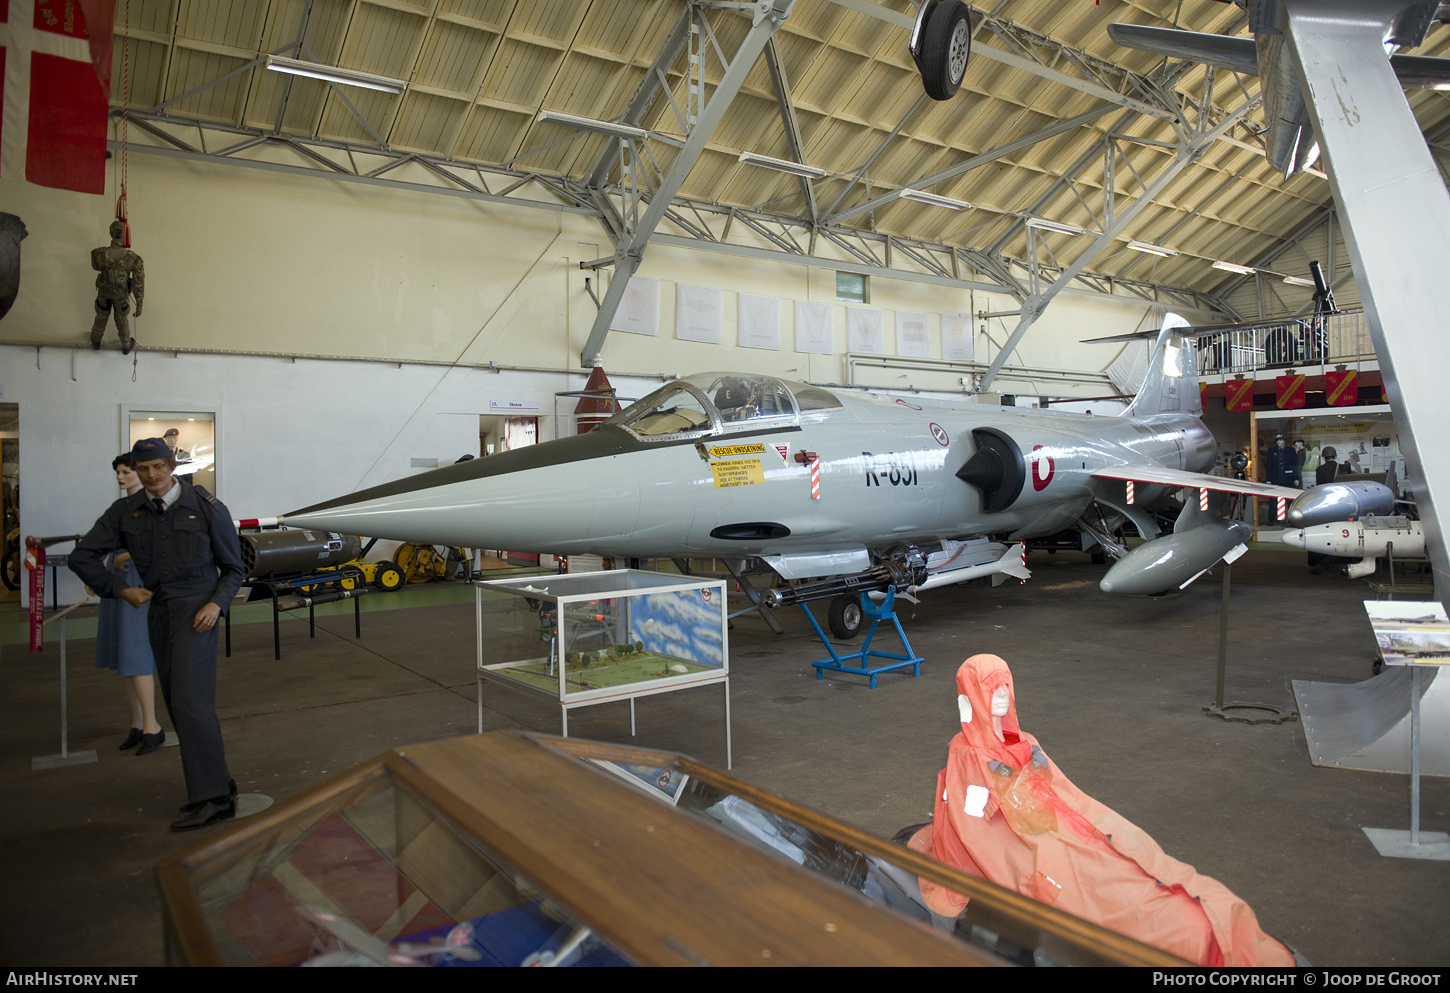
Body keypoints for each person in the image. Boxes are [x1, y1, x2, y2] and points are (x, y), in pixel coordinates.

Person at [910, 655, 1294, 967]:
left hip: (1062, 821)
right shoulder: (967, 754)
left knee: (1135, 853)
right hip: (1026, 842)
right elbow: (976, 825)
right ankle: (1187, 936)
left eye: (1006, 685)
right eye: (991, 688)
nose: (1002, 696)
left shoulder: (1025, 741)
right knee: (1094, 889)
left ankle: (1204, 924)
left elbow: (1061, 790)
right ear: (971, 696)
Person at [70, 437, 245, 831]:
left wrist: (216, 604)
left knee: (188, 703)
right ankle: (219, 785)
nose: (151, 475)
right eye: (142, 468)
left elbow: (235, 568)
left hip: (198, 611)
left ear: (172, 466)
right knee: (177, 701)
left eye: (158, 467)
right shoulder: (126, 512)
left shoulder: (204, 507)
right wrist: (119, 588)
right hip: (158, 612)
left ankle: (213, 798)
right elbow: (84, 556)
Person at [93, 454, 163, 755]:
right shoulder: (122, 508)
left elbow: (158, 541)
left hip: (138, 580)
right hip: (118, 582)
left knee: (136, 653)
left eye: (127, 471)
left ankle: (152, 725)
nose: (122, 477)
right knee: (125, 655)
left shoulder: (150, 506)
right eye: (119, 472)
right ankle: (137, 723)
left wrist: (124, 556)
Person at [89, 221, 144, 354]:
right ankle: (125, 344)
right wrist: (139, 304)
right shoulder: (134, 259)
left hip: (104, 293)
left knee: (101, 316)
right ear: (125, 235)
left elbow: (95, 266)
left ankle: (96, 340)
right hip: (121, 295)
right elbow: (138, 282)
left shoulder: (98, 254)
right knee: (122, 319)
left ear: (110, 233)